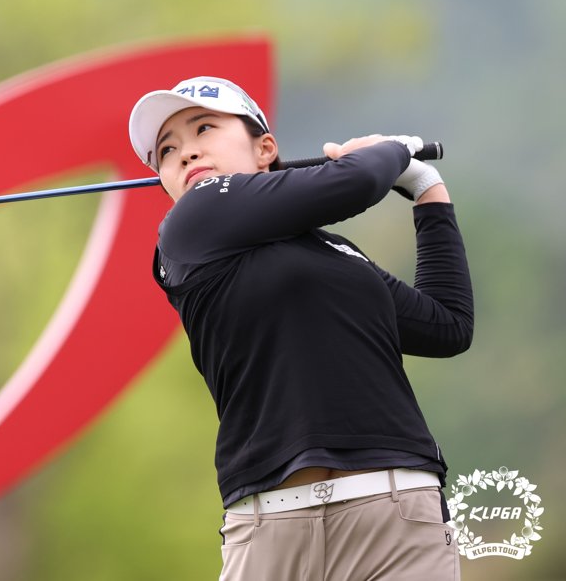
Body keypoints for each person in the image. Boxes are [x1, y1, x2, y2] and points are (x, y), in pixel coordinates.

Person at [128, 76, 473, 580]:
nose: (184, 153)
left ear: (265, 148)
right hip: (269, 526)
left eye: (204, 128)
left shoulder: (338, 254)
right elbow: (357, 183)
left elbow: (448, 325)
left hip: (395, 512)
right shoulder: (190, 224)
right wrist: (392, 150)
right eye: (167, 150)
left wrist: (425, 189)